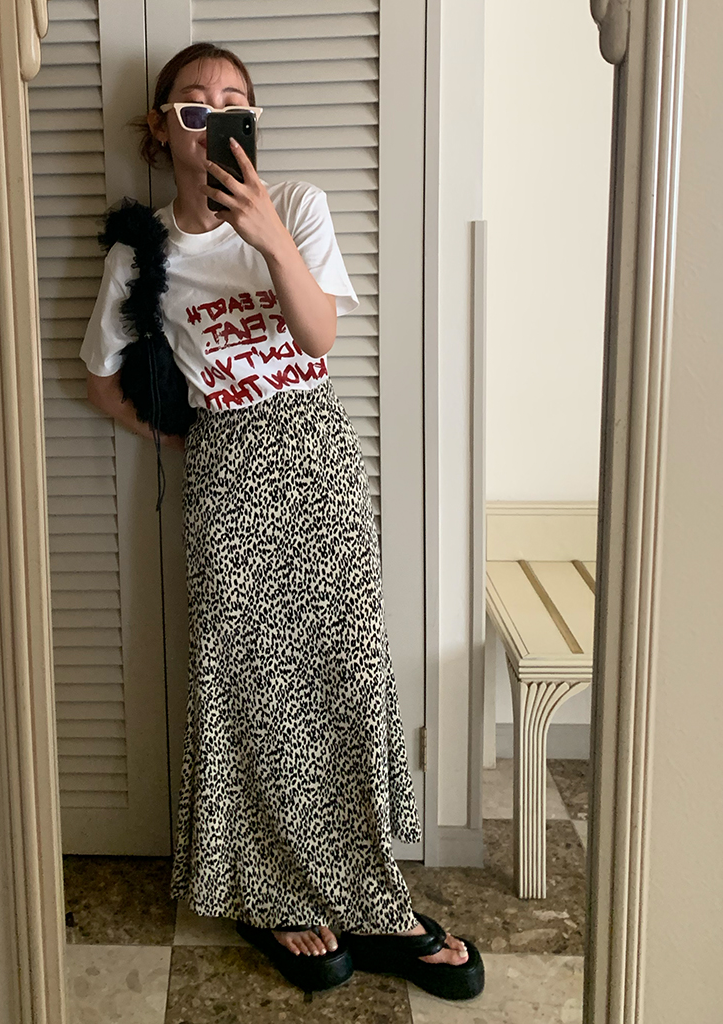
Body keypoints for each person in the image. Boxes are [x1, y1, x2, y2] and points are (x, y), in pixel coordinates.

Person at [79, 41, 483, 999]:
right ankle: (269, 893)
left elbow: (320, 334)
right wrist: (191, 433)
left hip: (316, 458)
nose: (211, 116)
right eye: (192, 104)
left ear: (252, 124)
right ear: (161, 128)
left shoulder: (295, 204)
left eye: (233, 103)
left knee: (345, 669)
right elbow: (99, 380)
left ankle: (373, 898)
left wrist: (266, 237)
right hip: (225, 472)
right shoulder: (142, 253)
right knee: (248, 686)